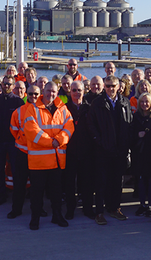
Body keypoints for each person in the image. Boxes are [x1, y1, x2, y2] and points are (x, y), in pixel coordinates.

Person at [20, 82, 74, 230]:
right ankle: (35, 218)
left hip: (56, 161)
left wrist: (60, 140)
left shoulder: (63, 108)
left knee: (56, 193)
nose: (51, 94)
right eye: (49, 91)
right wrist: (52, 142)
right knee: (36, 193)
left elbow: (69, 126)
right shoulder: (32, 108)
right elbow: (31, 131)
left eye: (54, 91)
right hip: (38, 161)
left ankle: (57, 216)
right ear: (43, 91)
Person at [88, 75, 133, 225]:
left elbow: (129, 124)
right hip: (103, 149)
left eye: (113, 86)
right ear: (104, 87)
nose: (111, 89)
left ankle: (115, 208)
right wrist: (99, 141)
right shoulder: (97, 103)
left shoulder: (124, 102)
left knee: (117, 182)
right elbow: (91, 125)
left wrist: (126, 146)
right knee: (101, 182)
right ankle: (99, 212)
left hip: (120, 150)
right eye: (107, 86)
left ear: (119, 86)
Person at [0, 77, 26, 207]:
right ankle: (1, 194)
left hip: (13, 142)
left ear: (13, 86)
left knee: (16, 169)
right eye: (4, 84)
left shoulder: (18, 101)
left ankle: (18, 194)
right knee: (0, 169)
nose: (6, 86)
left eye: (9, 84)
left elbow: (23, 123)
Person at [130, 93, 151, 217]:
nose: (144, 104)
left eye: (147, 102)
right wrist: (137, 135)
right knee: (141, 180)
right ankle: (142, 204)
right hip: (140, 153)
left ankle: (150, 205)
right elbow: (130, 135)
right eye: (142, 102)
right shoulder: (135, 116)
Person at [64, 80, 93, 219]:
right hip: (70, 151)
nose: (76, 93)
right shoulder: (64, 109)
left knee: (87, 182)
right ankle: (70, 208)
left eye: (79, 90)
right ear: (70, 91)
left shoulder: (90, 108)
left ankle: (88, 208)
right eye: (74, 90)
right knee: (69, 183)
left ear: (84, 91)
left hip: (86, 151)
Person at [8, 81, 31, 219]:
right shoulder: (19, 111)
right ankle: (16, 209)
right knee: (19, 182)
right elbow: (14, 129)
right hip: (22, 151)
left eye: (36, 94)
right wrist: (22, 140)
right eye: (32, 94)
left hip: (37, 154)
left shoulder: (42, 110)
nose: (33, 96)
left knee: (36, 185)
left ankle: (38, 208)